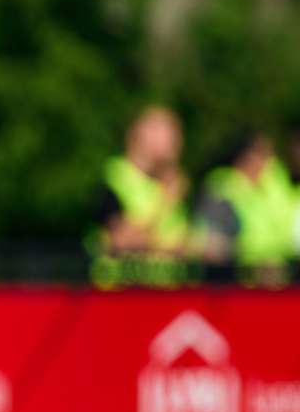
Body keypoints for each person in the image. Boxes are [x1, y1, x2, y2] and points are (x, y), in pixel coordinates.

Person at [89, 105, 196, 289]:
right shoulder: (115, 179)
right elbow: (121, 241)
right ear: (140, 135)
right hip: (122, 296)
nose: (177, 141)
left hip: (166, 296)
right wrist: (166, 202)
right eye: (169, 131)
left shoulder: (164, 184)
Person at [197, 130, 296, 287]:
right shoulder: (224, 185)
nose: (266, 162)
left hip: (283, 275)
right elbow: (215, 244)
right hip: (238, 277)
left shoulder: (277, 184)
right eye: (260, 154)